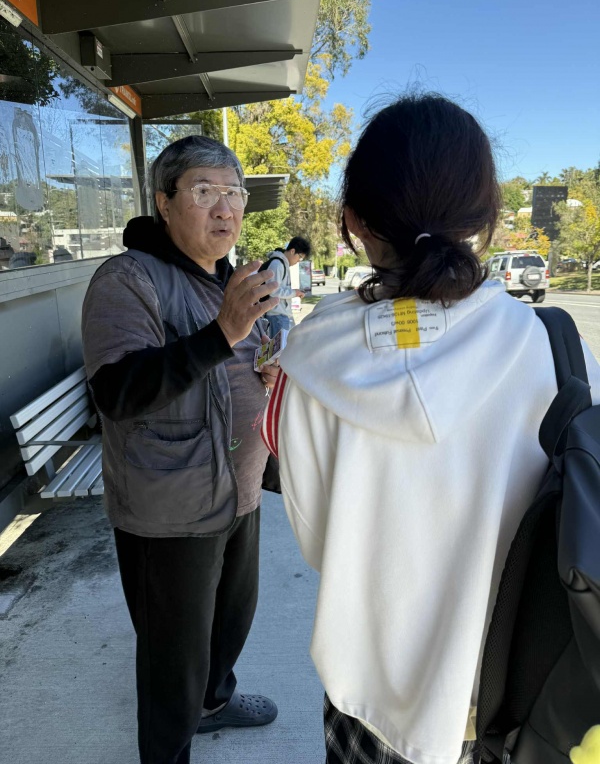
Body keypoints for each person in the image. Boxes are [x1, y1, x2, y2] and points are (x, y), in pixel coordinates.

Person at [262, 94, 600, 764]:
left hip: (372, 704)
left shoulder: (309, 363)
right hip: (527, 706)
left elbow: (318, 541)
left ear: (354, 221)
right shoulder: (562, 349)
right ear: (485, 216)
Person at [81, 135, 282, 764]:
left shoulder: (228, 277)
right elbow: (118, 391)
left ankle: (214, 704)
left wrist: (267, 367)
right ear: (164, 203)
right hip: (169, 508)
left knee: (230, 623)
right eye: (204, 191)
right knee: (174, 661)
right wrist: (223, 333)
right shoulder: (128, 279)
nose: (225, 208)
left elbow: (233, 363)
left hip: (238, 489)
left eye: (234, 194)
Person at [262, 236, 311, 336]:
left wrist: (294, 292)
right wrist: (294, 293)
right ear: (292, 251)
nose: (299, 260)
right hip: (276, 315)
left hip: (281, 315)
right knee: (280, 346)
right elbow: (273, 290)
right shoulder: (277, 264)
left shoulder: (283, 264)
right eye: (300, 257)